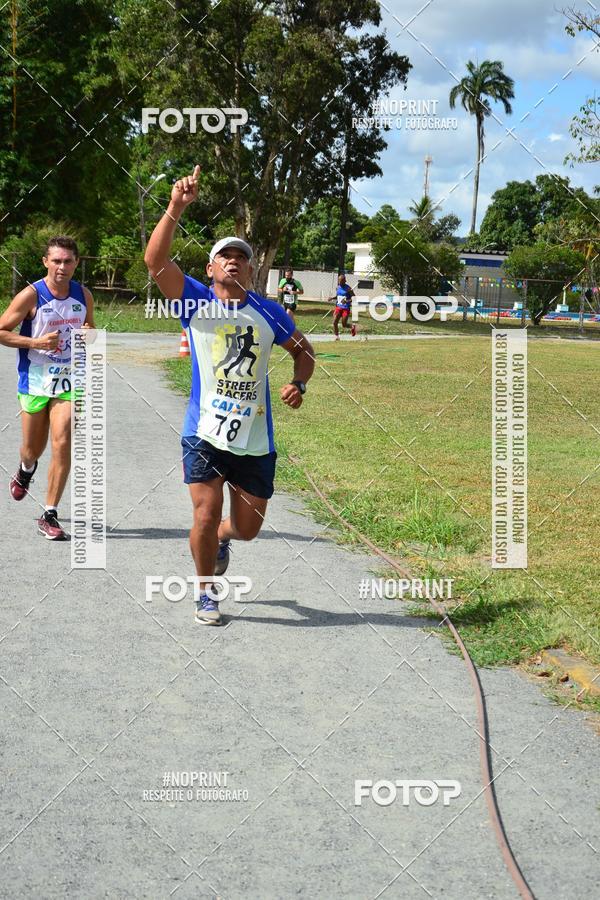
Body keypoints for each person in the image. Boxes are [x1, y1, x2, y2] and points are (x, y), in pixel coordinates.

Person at [144, 165, 315, 626]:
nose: (234, 262)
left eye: (242, 257)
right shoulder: (196, 302)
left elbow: (304, 352)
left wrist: (299, 383)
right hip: (204, 431)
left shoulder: (270, 312)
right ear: (211, 268)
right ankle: (205, 594)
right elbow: (156, 262)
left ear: (252, 269)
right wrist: (176, 206)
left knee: (247, 528)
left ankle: (224, 538)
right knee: (204, 512)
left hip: (255, 438)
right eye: (225, 256)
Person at [0, 236, 95, 540]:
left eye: (68, 261)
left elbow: (91, 331)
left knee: (63, 440)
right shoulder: (31, 295)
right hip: (36, 380)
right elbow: (2, 331)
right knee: (32, 449)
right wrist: (36, 342)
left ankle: (49, 513)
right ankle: (26, 469)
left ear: (76, 263)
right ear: (46, 262)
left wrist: (89, 335)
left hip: (69, 379)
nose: (61, 267)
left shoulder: (84, 295)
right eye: (56, 261)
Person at [329, 274, 357, 340]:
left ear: (345, 281)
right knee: (334, 322)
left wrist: (346, 301)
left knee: (344, 325)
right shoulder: (338, 287)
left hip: (346, 308)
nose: (340, 282)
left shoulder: (348, 288)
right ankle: (337, 337)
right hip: (338, 307)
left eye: (341, 281)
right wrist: (332, 298)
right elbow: (338, 296)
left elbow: (354, 298)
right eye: (339, 281)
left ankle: (353, 326)